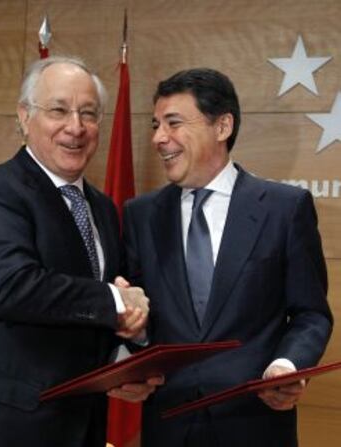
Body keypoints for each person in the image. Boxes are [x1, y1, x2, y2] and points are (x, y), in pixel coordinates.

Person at [0, 56, 160, 447]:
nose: (75, 127)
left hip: (79, 425)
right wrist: (115, 300)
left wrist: (124, 361)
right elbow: (11, 287)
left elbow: (87, 312)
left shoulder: (102, 208)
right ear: (24, 116)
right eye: (58, 110)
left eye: (88, 113)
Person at [122, 68, 333, 446]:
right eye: (156, 125)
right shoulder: (141, 214)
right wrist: (131, 336)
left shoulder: (284, 208)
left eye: (173, 123)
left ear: (222, 127)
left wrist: (286, 367)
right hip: (169, 426)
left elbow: (311, 313)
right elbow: (137, 319)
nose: (158, 138)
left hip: (255, 423)